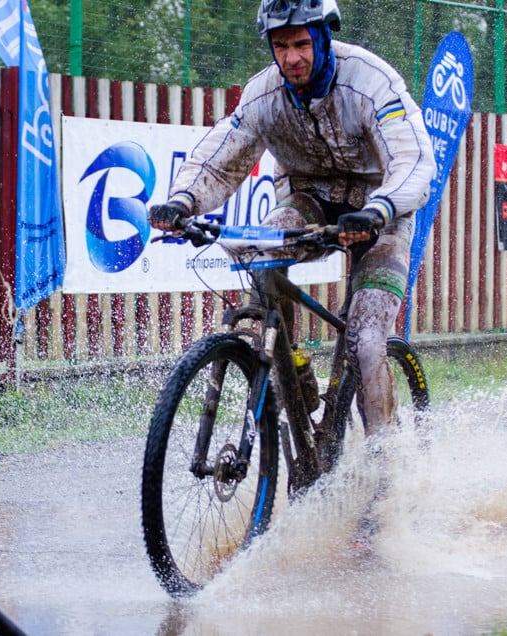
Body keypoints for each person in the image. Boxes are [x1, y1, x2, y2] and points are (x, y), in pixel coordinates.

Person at [149, 0, 435, 476]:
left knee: (366, 341)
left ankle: (389, 473)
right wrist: (182, 202)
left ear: (323, 37)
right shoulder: (264, 95)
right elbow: (223, 153)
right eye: (281, 46)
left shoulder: (369, 82)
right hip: (309, 200)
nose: (292, 58)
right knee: (259, 251)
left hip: (381, 210)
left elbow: (411, 159)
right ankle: (292, 377)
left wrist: (378, 208)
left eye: (302, 43)